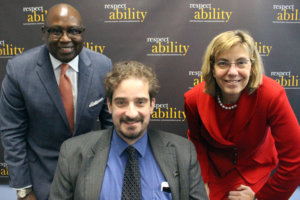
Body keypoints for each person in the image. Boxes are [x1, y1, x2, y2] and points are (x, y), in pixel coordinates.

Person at [49, 61, 208, 200]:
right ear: (109, 105)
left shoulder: (183, 152)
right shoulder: (73, 153)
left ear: (152, 105)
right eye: (121, 103)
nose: (131, 113)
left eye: (140, 102)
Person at [0, 3, 112, 200]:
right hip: (41, 180)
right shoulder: (18, 70)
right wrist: (24, 189)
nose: (65, 39)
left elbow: (111, 126)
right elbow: (12, 133)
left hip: (91, 178)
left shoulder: (103, 66)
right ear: (44, 32)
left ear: (83, 33)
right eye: (56, 31)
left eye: (73, 31)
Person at [184, 30, 300, 200]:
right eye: (223, 63)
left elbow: (295, 158)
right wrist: (202, 181)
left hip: (254, 166)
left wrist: (260, 198)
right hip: (214, 170)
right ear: (212, 67)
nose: (232, 72)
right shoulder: (193, 99)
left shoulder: (272, 95)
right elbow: (196, 143)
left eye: (241, 63)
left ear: (252, 66)